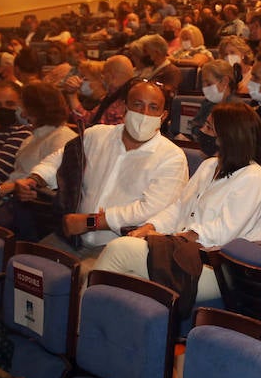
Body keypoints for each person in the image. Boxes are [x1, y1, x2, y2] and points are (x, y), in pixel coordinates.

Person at [95, 102, 261, 307]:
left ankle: (80, 329)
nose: (202, 132)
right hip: (182, 254)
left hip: (218, 268)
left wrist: (168, 239)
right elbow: (179, 207)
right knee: (127, 280)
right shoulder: (209, 165)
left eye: (209, 128)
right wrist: (151, 227)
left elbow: (221, 233)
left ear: (229, 137)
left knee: (119, 250)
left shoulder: (253, 176)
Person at [14, 81, 188, 259]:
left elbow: (149, 209)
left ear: (164, 116)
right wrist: (35, 179)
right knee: (26, 266)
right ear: (124, 108)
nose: (144, 114)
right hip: (73, 238)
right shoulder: (97, 135)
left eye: (153, 108)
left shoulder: (172, 157)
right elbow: (60, 160)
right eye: (137, 105)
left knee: (85, 282)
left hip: (119, 248)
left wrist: (90, 222)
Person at [0, 82, 77, 218]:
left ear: (33, 109)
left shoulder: (62, 137)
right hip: (9, 202)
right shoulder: (32, 137)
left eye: (20, 105)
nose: (18, 111)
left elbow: (49, 183)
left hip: (33, 210)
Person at [187, 59, 233, 155]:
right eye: (202, 83)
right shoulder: (207, 103)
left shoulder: (235, 109)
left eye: (208, 84)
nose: (204, 88)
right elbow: (194, 125)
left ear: (225, 81)